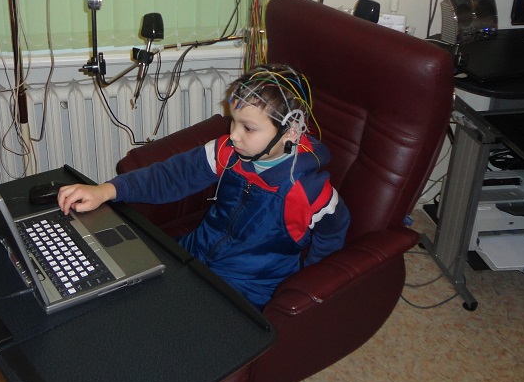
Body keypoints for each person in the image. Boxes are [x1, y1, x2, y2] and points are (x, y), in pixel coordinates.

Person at [58, 63, 350, 309]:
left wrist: (305, 283)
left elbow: (333, 233)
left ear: (291, 131)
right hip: (194, 254)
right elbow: (171, 176)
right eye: (233, 121)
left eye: (248, 128)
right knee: (116, 289)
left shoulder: (309, 192)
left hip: (248, 289)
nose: (233, 135)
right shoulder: (228, 152)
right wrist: (107, 190)